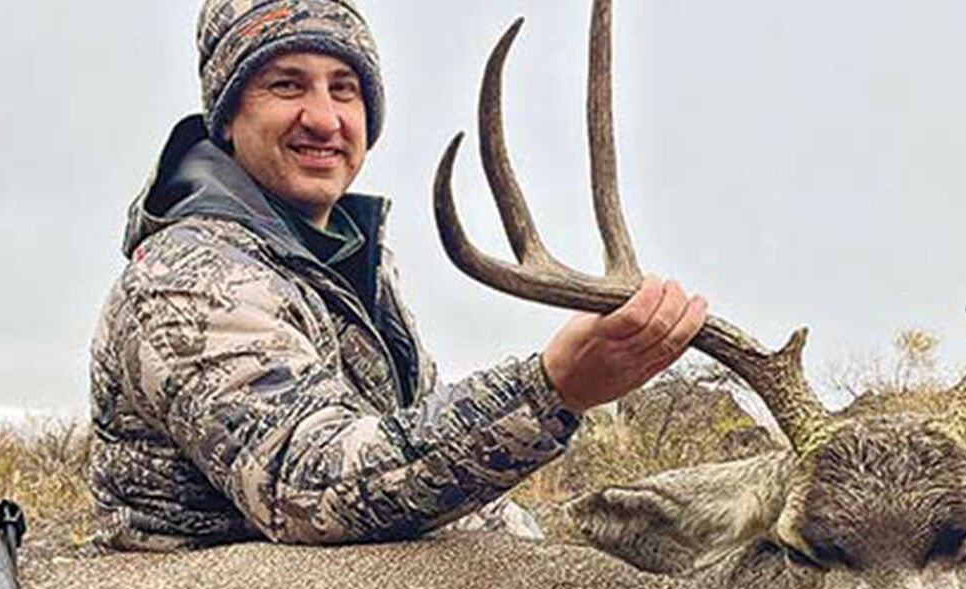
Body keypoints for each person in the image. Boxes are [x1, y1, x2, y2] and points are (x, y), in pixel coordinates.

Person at [87, 0, 708, 550]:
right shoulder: (186, 278)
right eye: (286, 85)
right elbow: (307, 484)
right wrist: (553, 388)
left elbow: (416, 459)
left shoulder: (346, 275)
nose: (325, 119)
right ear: (226, 116)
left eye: (345, 88)